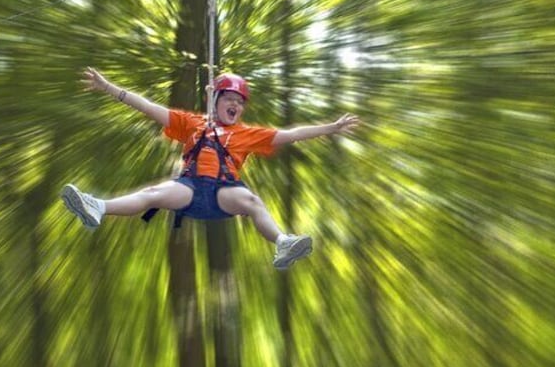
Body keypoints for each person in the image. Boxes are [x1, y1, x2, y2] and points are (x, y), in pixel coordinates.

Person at [61, 67, 360, 270]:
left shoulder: (247, 133)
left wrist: (331, 128)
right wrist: (108, 88)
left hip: (223, 194)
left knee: (252, 201)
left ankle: (282, 243)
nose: (235, 106)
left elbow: (291, 135)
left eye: (239, 103)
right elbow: (147, 108)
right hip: (189, 190)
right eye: (229, 99)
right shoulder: (191, 123)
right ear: (214, 101)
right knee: (154, 192)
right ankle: (97, 207)